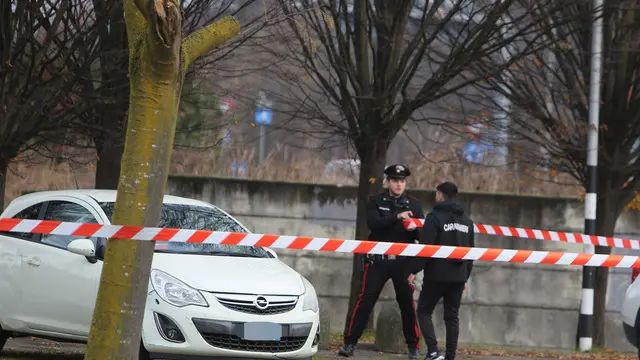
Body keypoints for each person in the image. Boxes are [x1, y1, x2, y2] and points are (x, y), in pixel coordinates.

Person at [338, 164, 424, 359]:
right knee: (365, 301)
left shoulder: (414, 204)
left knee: (406, 305)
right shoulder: (376, 201)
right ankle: (349, 343)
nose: (399, 184)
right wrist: (397, 217)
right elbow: (374, 224)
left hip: (403, 263)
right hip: (379, 261)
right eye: (395, 181)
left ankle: (413, 347)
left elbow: (423, 233)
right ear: (388, 182)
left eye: (402, 181)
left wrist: (415, 229)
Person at [407, 181, 474, 360]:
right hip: (458, 277)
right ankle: (450, 356)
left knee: (423, 311)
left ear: (439, 195)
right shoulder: (467, 222)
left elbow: (426, 247)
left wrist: (414, 270)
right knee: (452, 317)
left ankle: (433, 351)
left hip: (437, 275)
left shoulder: (434, 217)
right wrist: (465, 276)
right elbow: (471, 252)